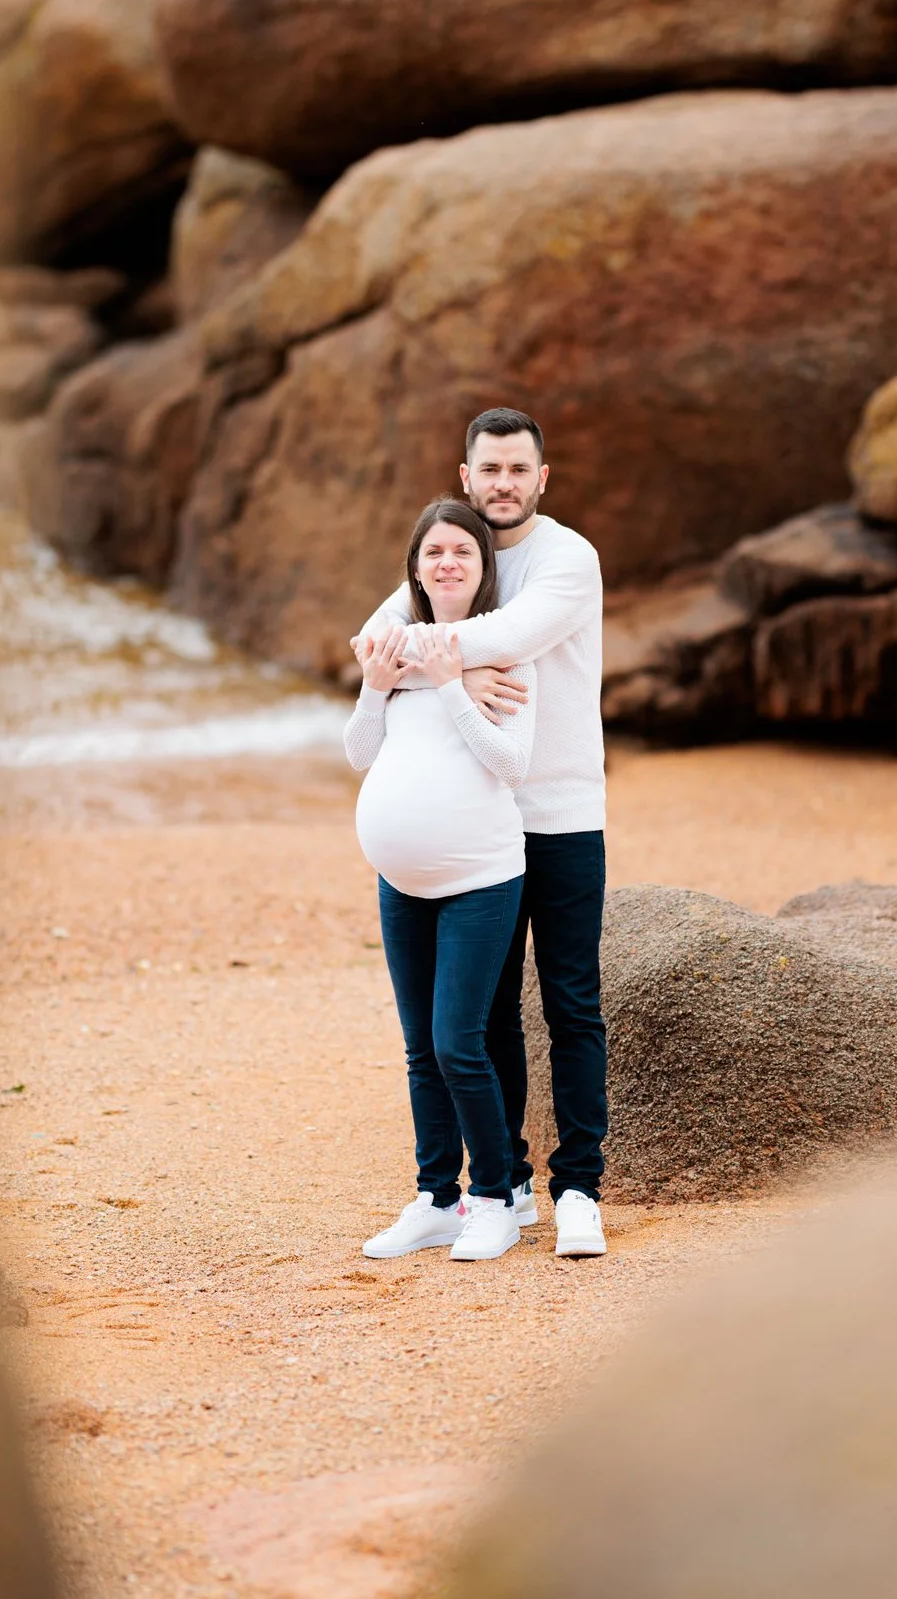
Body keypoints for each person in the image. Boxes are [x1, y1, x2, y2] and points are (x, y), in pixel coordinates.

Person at [353, 408, 609, 1259]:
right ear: (466, 477)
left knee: (570, 1002)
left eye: (517, 469)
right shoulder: (459, 547)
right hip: (477, 831)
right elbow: (373, 640)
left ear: (544, 477)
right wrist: (442, 659)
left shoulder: (568, 558)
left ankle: (579, 1187)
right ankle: (511, 1188)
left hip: (561, 810)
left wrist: (436, 656)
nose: (502, 483)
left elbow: (514, 634)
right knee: (488, 1017)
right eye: (488, 469)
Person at [348, 500, 540, 1261]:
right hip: (401, 882)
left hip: (481, 879)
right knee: (419, 1049)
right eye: (435, 552)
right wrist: (374, 682)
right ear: (417, 568)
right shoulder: (393, 649)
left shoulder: (505, 652)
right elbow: (361, 751)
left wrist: (455, 684)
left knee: (460, 1042)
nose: (449, 562)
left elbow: (511, 763)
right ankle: (436, 1197)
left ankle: (495, 1198)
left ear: (483, 566)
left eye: (463, 549)